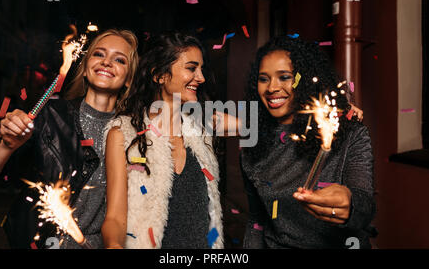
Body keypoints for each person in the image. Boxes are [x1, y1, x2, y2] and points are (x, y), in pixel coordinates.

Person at [0, 29, 138, 249]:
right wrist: (6, 146)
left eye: (119, 59)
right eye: (99, 54)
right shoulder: (51, 115)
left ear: (129, 79)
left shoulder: (132, 134)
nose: (107, 62)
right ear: (84, 69)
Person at [240, 36, 376, 249]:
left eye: (285, 77)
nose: (272, 88)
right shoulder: (253, 144)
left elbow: (364, 205)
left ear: (303, 80)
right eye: (263, 79)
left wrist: (351, 205)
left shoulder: (347, 132)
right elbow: (257, 219)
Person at [101, 32, 224, 249]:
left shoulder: (202, 133)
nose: (201, 77)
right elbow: (114, 218)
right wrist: (113, 244)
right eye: (191, 68)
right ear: (159, 75)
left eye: (201, 69)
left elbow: (251, 125)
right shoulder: (123, 133)